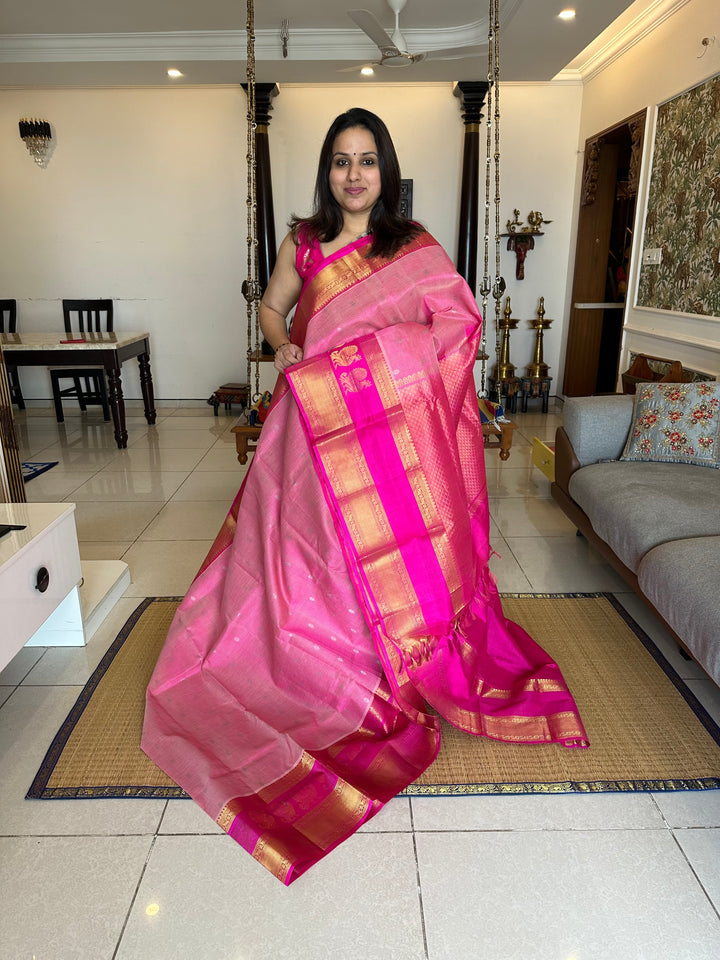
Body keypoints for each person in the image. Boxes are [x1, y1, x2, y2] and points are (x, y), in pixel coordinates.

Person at [141, 107, 588, 886]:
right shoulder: (305, 243)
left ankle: (382, 658)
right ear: (328, 171)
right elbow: (273, 308)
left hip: (384, 437)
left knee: (377, 549)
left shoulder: (411, 248)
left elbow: (455, 326)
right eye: (342, 161)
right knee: (305, 551)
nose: (354, 175)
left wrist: (390, 357)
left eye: (368, 161)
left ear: (386, 171)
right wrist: (286, 348)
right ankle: (316, 657)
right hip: (311, 429)